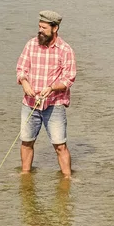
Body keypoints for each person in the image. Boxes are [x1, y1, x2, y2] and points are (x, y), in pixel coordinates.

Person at [16, 10, 76, 177]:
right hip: (29, 103)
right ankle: (25, 175)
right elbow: (21, 68)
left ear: (55, 28)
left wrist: (51, 88)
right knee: (26, 142)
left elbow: (69, 78)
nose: (40, 30)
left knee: (60, 145)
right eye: (39, 27)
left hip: (54, 105)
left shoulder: (65, 50)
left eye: (44, 28)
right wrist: (24, 82)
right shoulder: (30, 45)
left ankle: (67, 178)